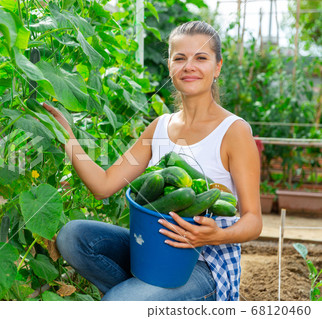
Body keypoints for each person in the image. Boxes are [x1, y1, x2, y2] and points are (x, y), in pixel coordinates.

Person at [43, 21, 262, 301]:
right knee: (72, 237)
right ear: (170, 65)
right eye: (180, 58)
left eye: (201, 58)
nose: (189, 66)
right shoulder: (159, 127)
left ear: (217, 67)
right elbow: (104, 185)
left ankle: (133, 300)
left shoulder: (233, 131)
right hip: (151, 251)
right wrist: (68, 137)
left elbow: (253, 221)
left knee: (118, 302)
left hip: (203, 264)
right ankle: (141, 300)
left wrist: (212, 235)